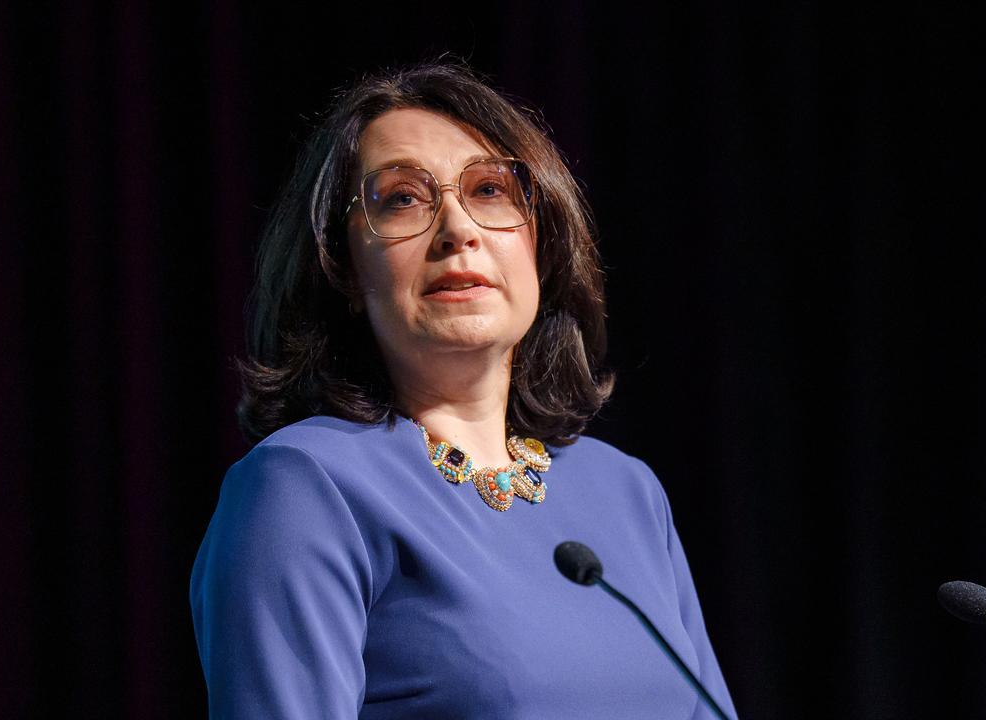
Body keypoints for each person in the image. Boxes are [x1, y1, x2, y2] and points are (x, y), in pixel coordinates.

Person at [190, 62, 738, 719]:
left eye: (489, 191)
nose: (458, 230)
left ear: (542, 243)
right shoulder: (305, 486)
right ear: (342, 269)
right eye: (401, 199)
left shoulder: (626, 492)